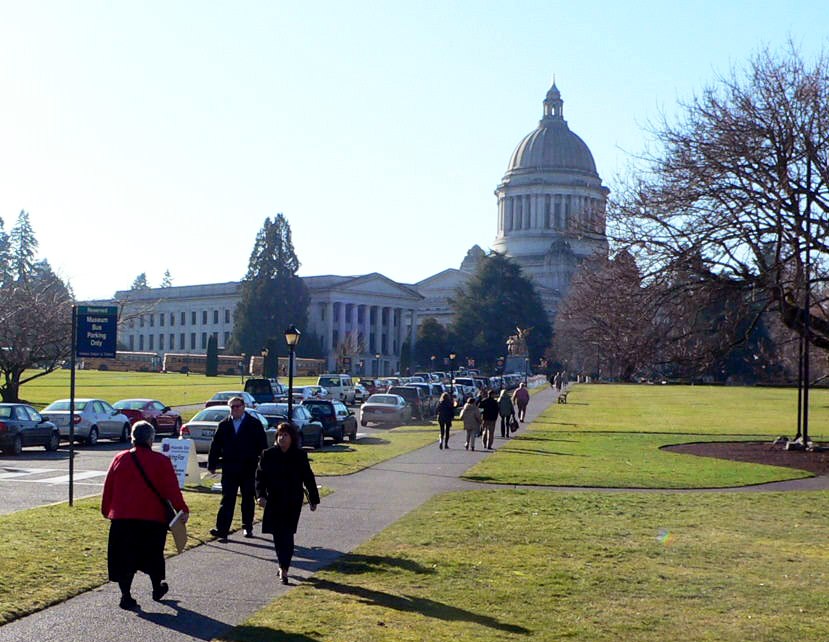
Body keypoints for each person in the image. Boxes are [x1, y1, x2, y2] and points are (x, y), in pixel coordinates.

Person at [101, 420, 189, 610]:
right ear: (151, 439)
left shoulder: (120, 458)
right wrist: (182, 509)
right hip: (152, 519)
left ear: (133, 437)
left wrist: (106, 510)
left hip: (122, 518)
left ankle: (126, 595)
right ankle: (157, 587)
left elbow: (109, 487)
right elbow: (171, 491)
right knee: (153, 555)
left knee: (124, 558)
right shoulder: (161, 461)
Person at [256, 422, 320, 584]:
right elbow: (259, 478)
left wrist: (313, 499)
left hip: (292, 500)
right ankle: (281, 565)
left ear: (292, 438)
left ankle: (284, 567)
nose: (282, 438)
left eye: (285, 435)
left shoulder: (299, 455)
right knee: (278, 535)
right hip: (274, 499)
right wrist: (260, 495)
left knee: (288, 533)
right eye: (280, 435)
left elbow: (308, 478)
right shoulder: (268, 454)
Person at [208, 396, 268, 541]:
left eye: (237, 406)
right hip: (230, 467)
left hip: (249, 467)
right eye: (232, 407)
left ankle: (247, 526)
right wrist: (212, 464)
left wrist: (264, 465)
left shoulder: (254, 424)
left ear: (243, 407)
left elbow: (263, 446)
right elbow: (215, 445)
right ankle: (222, 529)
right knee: (227, 498)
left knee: (248, 498)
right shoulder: (224, 424)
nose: (234, 409)